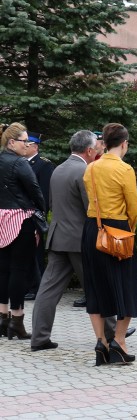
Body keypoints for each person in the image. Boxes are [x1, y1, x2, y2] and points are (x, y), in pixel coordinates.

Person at [31, 131, 134, 351]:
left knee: (48, 289)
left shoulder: (58, 168)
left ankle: (39, 337)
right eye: (95, 146)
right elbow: (94, 207)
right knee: (97, 286)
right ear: (88, 150)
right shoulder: (85, 171)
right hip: (80, 239)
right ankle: (112, 334)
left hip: (58, 236)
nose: (98, 149)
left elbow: (51, 202)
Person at [82, 123, 137, 365]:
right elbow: (134, 207)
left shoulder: (91, 168)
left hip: (92, 231)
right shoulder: (124, 169)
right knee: (127, 286)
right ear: (124, 143)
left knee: (95, 287)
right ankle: (119, 341)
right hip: (118, 232)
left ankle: (101, 343)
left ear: (104, 143)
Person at [0, 123, 46, 340]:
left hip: (0, 219)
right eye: (24, 140)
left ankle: (2, 318)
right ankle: (16, 321)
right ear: (11, 142)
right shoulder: (19, 163)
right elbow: (35, 189)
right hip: (21, 220)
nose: (27, 144)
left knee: (2, 269)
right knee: (19, 270)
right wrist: (42, 210)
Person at [73, 130, 106, 308]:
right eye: (97, 142)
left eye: (101, 142)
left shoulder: (104, 162)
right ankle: (90, 295)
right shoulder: (88, 163)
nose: (99, 145)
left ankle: (96, 296)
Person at [24, 132, 55, 301]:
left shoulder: (44, 165)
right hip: (20, 214)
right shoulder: (20, 163)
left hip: (34, 215)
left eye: (27, 144)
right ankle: (27, 285)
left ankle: (36, 287)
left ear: (34, 146)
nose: (24, 147)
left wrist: (40, 214)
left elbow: (43, 193)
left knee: (35, 253)